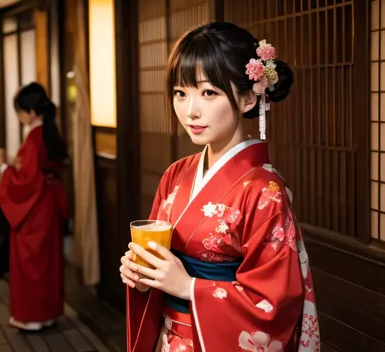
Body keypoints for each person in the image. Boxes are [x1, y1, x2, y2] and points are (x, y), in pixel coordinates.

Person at [121, 22, 320, 352]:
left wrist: (188, 287)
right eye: (180, 93)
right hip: (169, 340)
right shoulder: (175, 175)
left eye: (208, 93)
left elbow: (273, 302)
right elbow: (159, 269)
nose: (190, 110)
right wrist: (143, 278)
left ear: (245, 98)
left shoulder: (264, 191)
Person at [0, 82, 69, 331]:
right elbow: (35, 168)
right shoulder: (47, 131)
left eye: (20, 111)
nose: (19, 116)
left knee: (31, 262)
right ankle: (48, 313)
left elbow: (25, 180)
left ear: (32, 112)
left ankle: (33, 316)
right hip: (48, 204)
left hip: (34, 207)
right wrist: (12, 161)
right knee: (47, 262)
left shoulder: (34, 137)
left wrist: (2, 166)